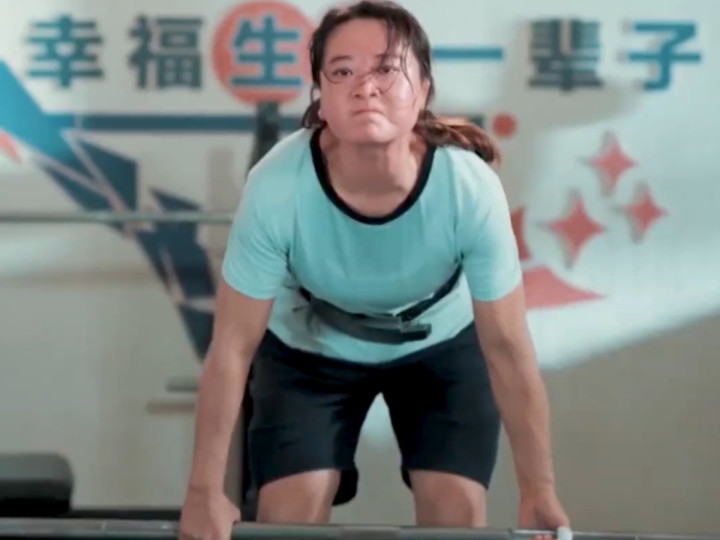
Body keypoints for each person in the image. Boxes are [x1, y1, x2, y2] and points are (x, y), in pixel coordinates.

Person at [179, 1, 570, 538]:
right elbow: (231, 347)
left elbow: (506, 347)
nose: (365, 87)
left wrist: (539, 491)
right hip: (309, 353)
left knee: (455, 517)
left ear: (424, 88)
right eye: (342, 72)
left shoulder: (468, 187)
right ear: (321, 97)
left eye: (387, 69)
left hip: (441, 348)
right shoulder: (276, 186)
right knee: (288, 519)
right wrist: (203, 492)